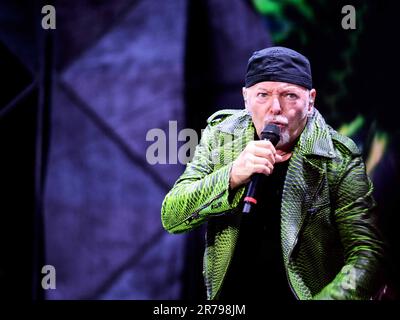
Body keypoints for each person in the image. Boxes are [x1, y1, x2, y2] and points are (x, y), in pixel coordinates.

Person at [161, 46, 385, 300]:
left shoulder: (337, 157)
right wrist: (231, 176)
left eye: (290, 96)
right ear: (246, 98)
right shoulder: (221, 135)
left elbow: (367, 252)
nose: (275, 107)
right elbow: (172, 215)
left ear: (310, 100)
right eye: (262, 95)